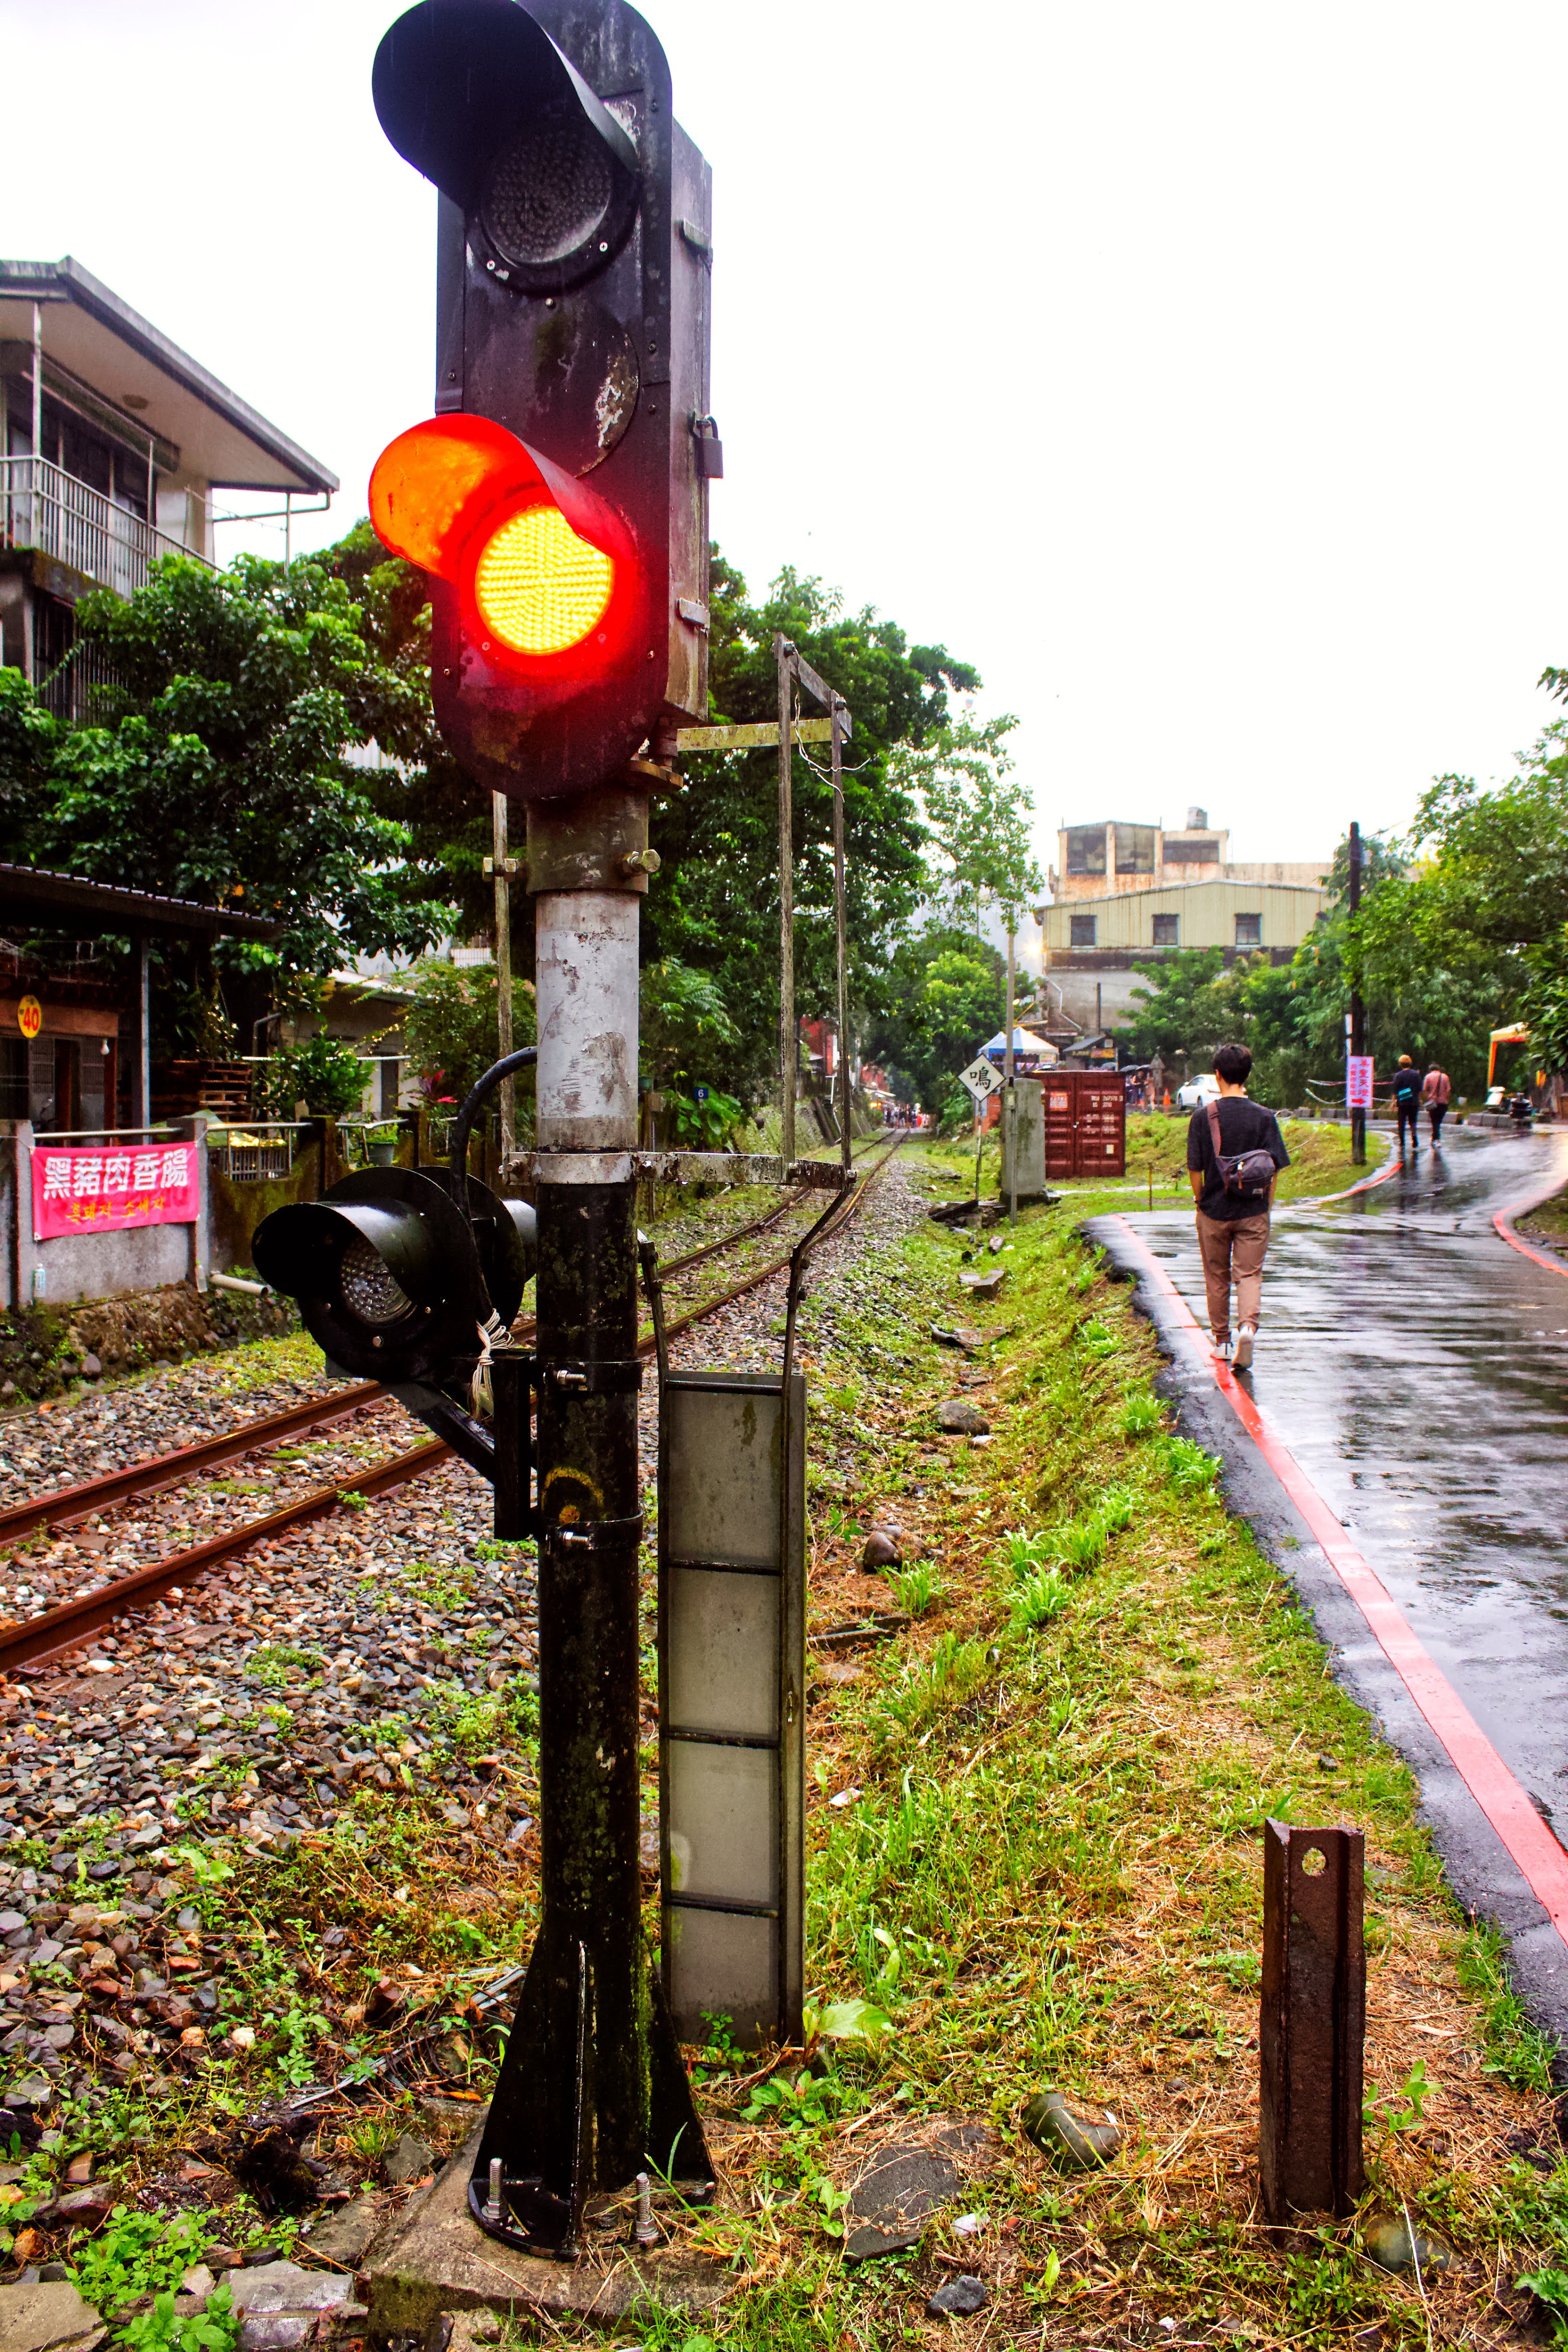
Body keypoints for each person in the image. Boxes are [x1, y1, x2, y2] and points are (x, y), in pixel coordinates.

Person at [1187, 1041, 1291, 1370]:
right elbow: (1273, 1167)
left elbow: (1194, 1167)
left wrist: (1199, 1200)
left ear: (1217, 1075)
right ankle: (1247, 1328)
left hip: (1214, 1210)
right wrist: (1266, 1206)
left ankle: (1222, 1342)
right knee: (1248, 1275)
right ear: (1246, 1075)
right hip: (1253, 1211)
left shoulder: (1202, 1119)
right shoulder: (1264, 1118)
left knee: (1216, 1276)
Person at [1390, 1055, 1423, 1158]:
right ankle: (1414, 1139)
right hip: (1414, 1101)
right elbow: (1419, 1089)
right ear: (1410, 1063)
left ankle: (1402, 1141)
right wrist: (1420, 1100)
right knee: (1413, 1121)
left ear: (1401, 1064)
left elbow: (1395, 1090)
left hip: (1402, 1102)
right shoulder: (1416, 1075)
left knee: (1402, 1121)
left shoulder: (1398, 1075)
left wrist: (1393, 1102)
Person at [1422, 1062, 1451, 1143]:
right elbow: (1448, 1090)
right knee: (1438, 1121)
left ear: (1430, 1070)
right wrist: (1445, 1097)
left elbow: (1425, 1090)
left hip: (1432, 1103)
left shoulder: (1428, 1077)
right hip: (1443, 1103)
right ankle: (1435, 1138)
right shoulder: (1445, 1077)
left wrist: (1428, 1098)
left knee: (1434, 1121)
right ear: (1438, 1069)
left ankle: (1436, 1138)